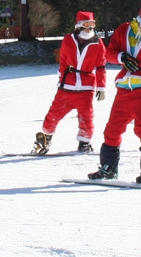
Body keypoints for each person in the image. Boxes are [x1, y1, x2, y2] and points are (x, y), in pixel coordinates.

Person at [88, 2, 141, 184]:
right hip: (124, 88)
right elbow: (108, 54)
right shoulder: (123, 31)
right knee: (113, 128)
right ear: (138, 21)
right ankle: (109, 167)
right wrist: (121, 57)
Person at [32, 11, 107, 154]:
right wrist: (61, 77)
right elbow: (64, 61)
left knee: (87, 116)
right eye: (86, 24)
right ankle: (46, 137)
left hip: (86, 87)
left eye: (92, 24)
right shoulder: (68, 39)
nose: (89, 28)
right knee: (54, 113)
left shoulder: (98, 43)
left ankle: (84, 142)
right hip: (67, 85)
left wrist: (101, 87)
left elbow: (101, 67)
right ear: (78, 26)